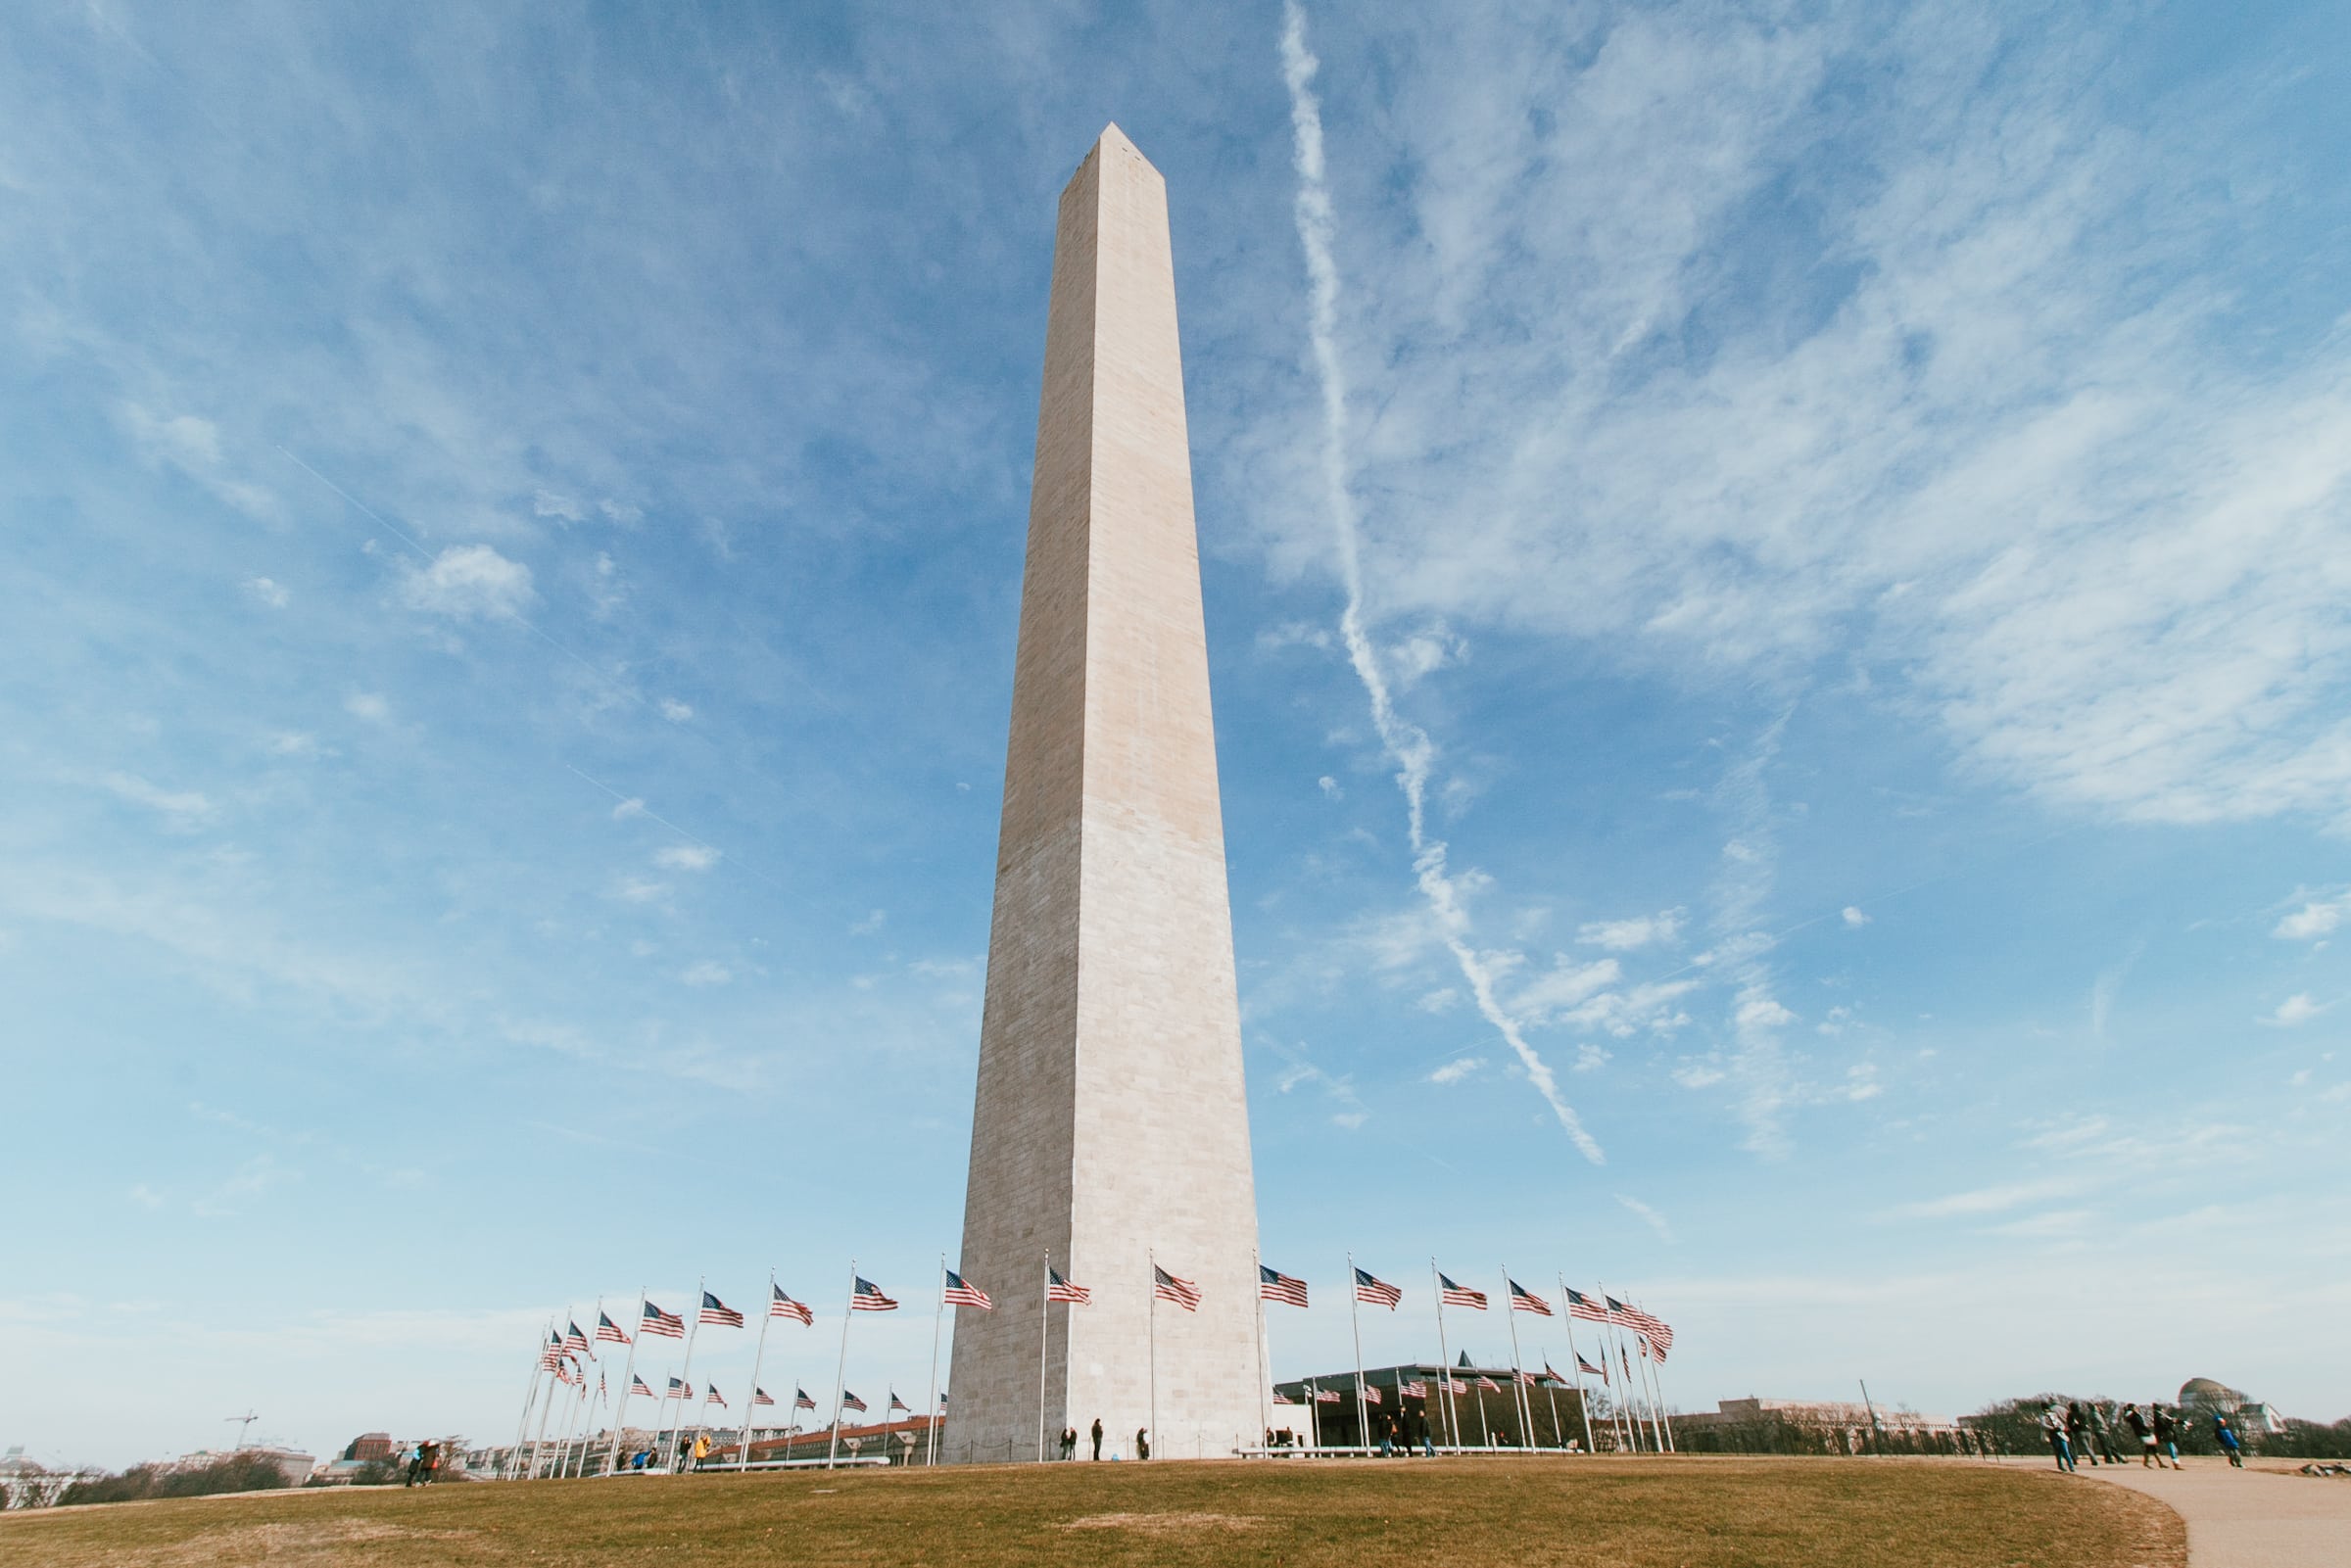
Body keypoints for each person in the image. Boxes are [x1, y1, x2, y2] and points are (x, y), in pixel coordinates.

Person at [2039, 1403, 2075, 1472]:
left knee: (2065, 1450)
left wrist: (2061, 1428)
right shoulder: (2043, 1416)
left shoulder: (2054, 1415)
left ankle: (2071, 1466)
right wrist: (2052, 1428)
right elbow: (2043, 1425)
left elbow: (2060, 1423)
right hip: (2052, 1434)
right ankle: (2060, 1465)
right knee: (2058, 1451)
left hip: (2061, 1434)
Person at [2065, 1402, 2096, 1466]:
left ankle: (2093, 1459)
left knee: (2086, 1446)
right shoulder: (2083, 1414)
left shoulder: (2071, 1414)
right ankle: (2093, 1458)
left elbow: (2070, 1424)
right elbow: (2087, 1422)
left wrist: (2073, 1430)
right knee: (2090, 1446)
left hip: (2079, 1431)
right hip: (2087, 1431)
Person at [2153, 1404, 2183, 1469]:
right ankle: (2176, 1464)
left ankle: (2176, 1463)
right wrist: (2171, 1423)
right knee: (2172, 1449)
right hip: (2164, 1435)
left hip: (2165, 1435)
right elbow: (2164, 1426)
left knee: (2174, 1449)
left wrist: (2173, 1422)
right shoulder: (2159, 1417)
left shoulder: (2160, 1416)